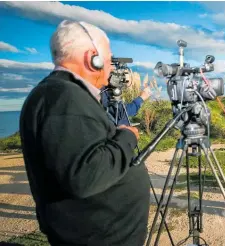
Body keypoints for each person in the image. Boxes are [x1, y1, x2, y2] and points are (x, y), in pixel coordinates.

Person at [19, 20, 150, 245]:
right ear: (92, 58)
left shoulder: (61, 93)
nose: (111, 69)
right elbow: (85, 177)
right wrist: (127, 137)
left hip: (100, 232)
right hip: (99, 236)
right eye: (108, 60)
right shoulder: (64, 99)